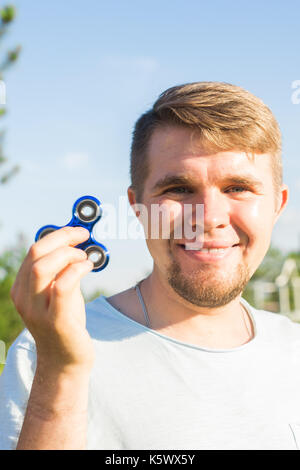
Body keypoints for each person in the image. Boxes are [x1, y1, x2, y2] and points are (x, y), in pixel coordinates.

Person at [0, 81, 299, 451]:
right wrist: (62, 373)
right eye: (177, 188)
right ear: (137, 207)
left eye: (238, 187)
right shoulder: (47, 351)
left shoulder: (294, 351)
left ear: (277, 205)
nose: (208, 218)